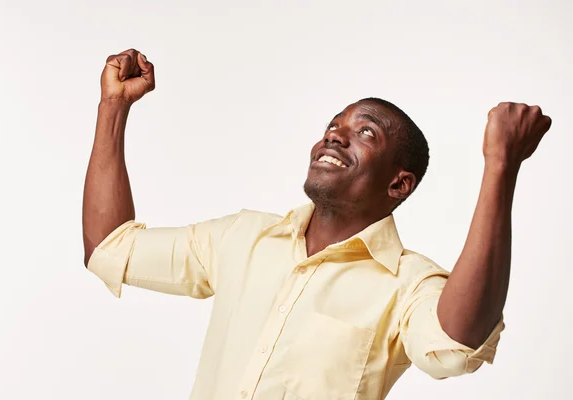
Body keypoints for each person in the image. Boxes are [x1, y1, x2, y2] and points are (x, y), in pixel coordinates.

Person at [82, 48, 552, 400]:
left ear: (398, 184)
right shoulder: (242, 237)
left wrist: (500, 165)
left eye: (365, 131)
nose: (335, 134)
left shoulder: (409, 284)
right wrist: (113, 108)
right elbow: (109, 247)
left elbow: (457, 342)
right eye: (334, 124)